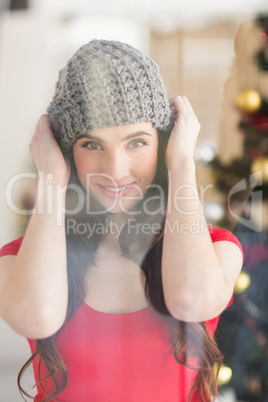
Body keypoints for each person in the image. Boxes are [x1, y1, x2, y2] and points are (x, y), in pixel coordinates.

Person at [0, 39, 243, 402]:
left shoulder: (216, 248)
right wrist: (51, 177)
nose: (115, 170)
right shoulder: (21, 258)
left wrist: (181, 165)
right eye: (92, 145)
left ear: (163, 143)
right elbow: (36, 317)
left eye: (137, 143)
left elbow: (191, 300)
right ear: (68, 152)